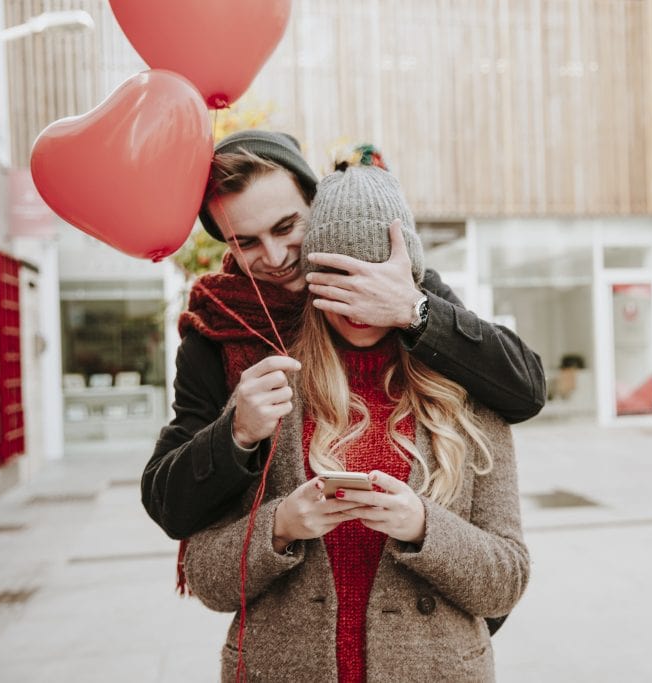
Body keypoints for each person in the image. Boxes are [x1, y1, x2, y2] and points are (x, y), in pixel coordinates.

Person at [184, 154, 529, 682]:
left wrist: (422, 527)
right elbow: (206, 575)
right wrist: (279, 527)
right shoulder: (269, 391)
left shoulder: (466, 393)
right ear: (311, 278)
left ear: (406, 280)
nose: (358, 299)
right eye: (338, 277)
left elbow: (507, 580)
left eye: (373, 279)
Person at [142, 131, 545, 543]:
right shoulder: (218, 325)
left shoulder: (391, 279)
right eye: (246, 243)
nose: (276, 257)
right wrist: (236, 433)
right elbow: (167, 505)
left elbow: (525, 390)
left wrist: (413, 310)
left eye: (286, 227)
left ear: (315, 207)